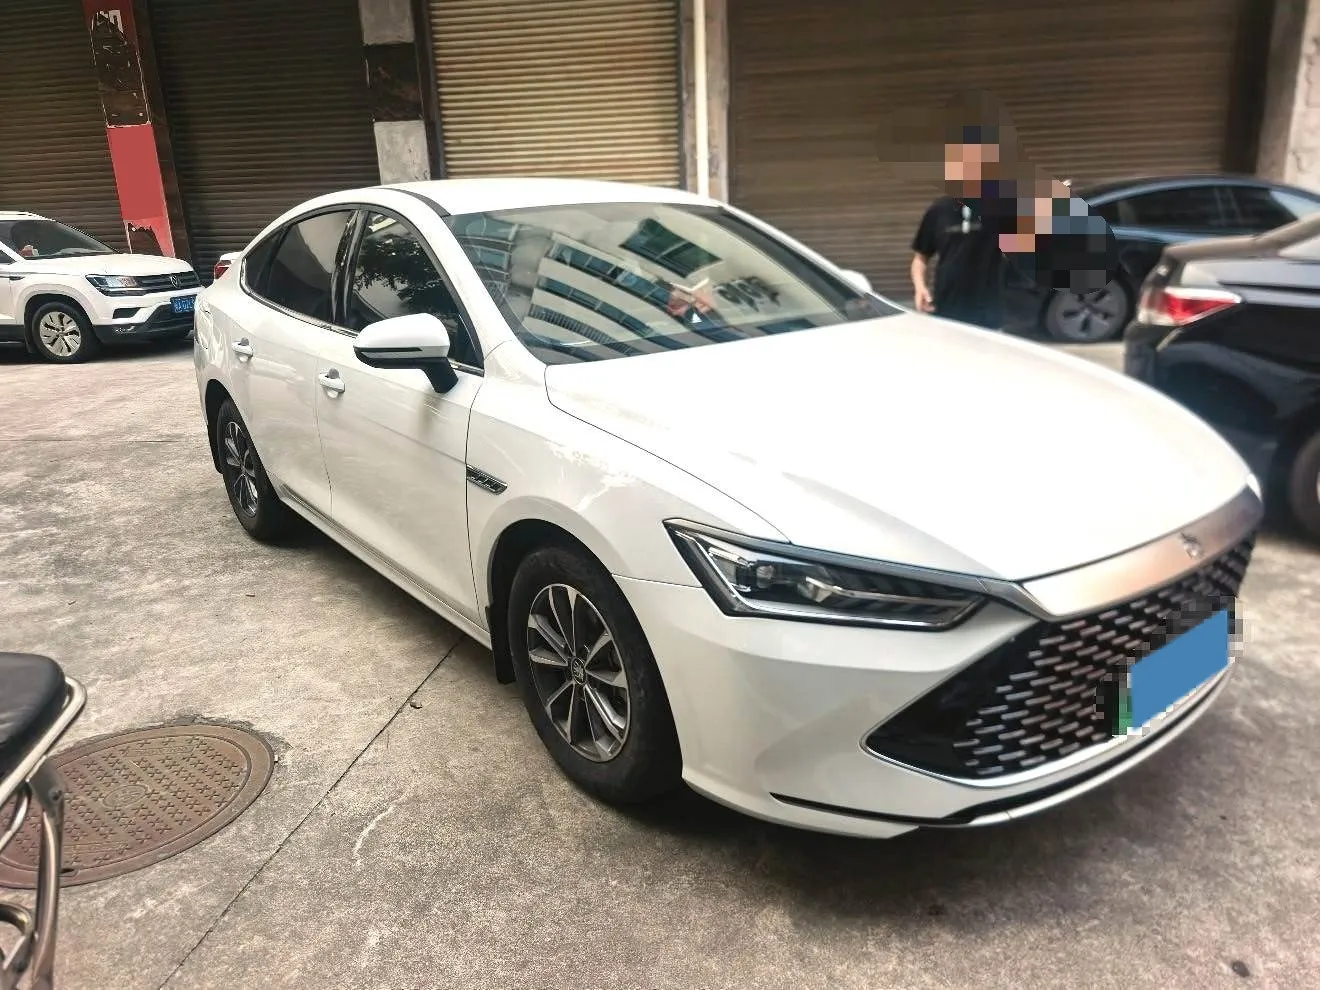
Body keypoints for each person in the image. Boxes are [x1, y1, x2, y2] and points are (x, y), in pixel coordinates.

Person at [910, 121, 1117, 330]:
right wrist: (920, 288)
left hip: (988, 311)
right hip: (946, 308)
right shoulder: (938, 210)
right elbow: (920, 258)